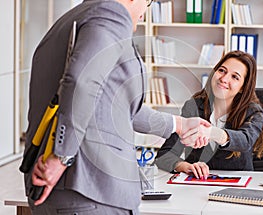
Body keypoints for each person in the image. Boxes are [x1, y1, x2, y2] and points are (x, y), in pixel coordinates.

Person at [22, 0, 210, 214]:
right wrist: (61, 156)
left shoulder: (69, 20)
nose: (144, 14)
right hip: (88, 189)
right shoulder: (110, 14)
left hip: (63, 189)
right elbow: (81, 82)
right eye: (147, 3)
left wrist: (179, 124)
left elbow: (114, 106)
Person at [154, 50, 263, 179]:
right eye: (222, 71)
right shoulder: (194, 106)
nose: (224, 79)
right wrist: (185, 166)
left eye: (235, 77)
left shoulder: (253, 111)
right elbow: (164, 155)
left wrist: (210, 132)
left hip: (237, 185)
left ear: (243, 87)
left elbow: (245, 140)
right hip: (198, 184)